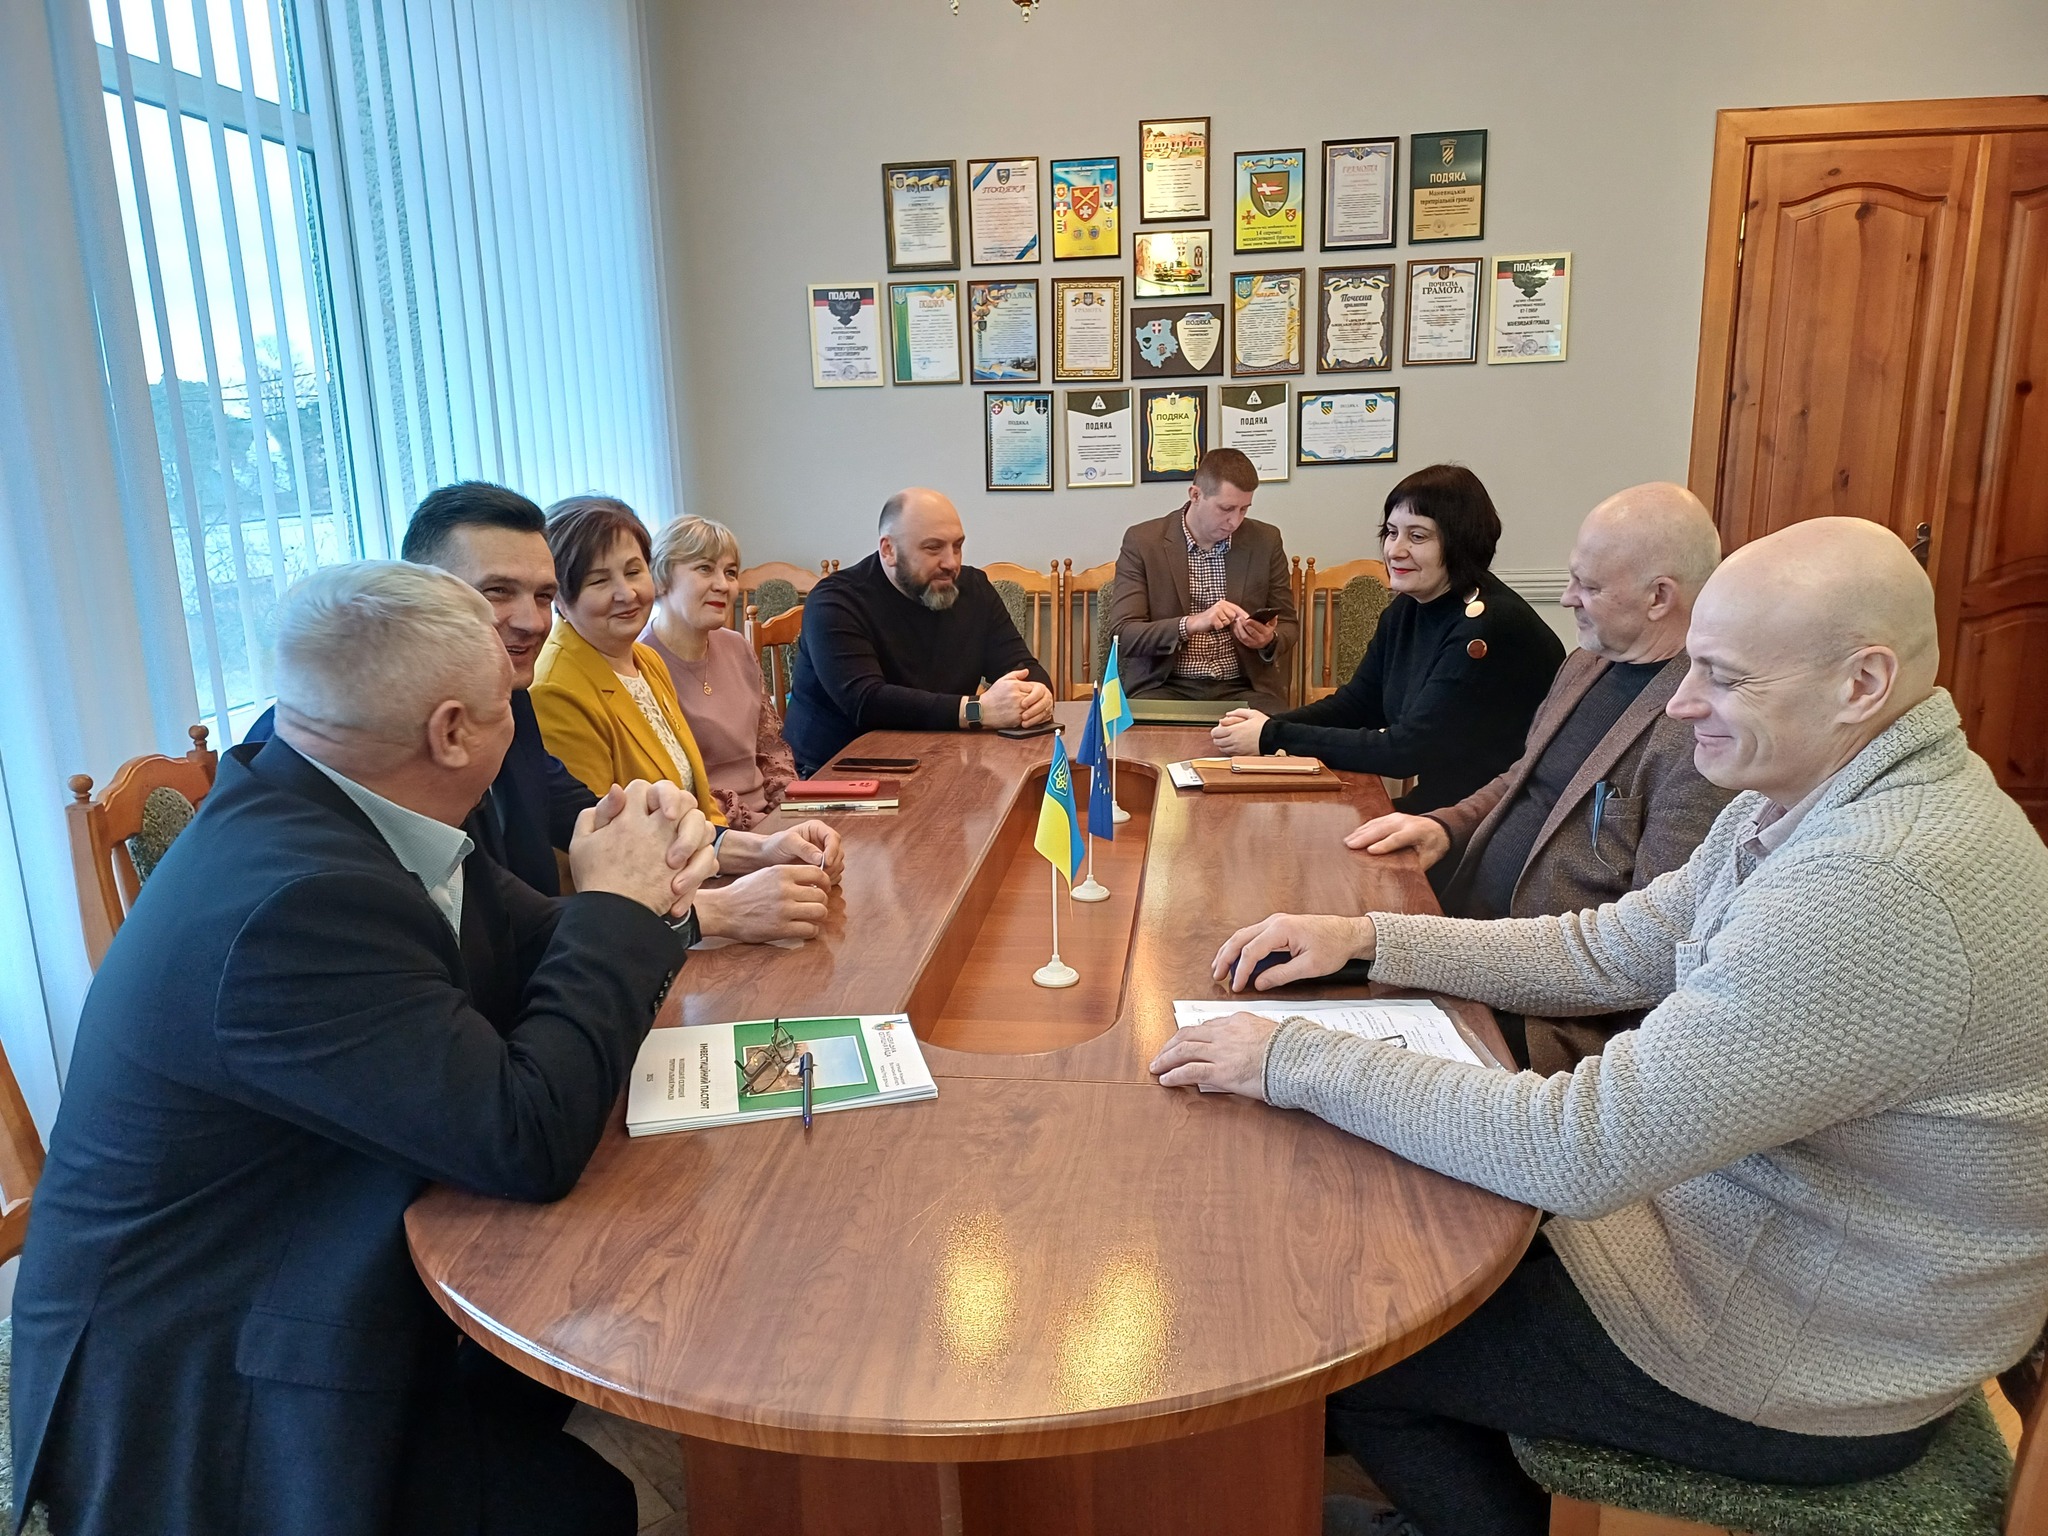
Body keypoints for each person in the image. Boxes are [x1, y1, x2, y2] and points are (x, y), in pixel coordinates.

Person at [1152, 518, 2048, 1536]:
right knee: (1388, 1242)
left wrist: (1291, 1056)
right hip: (1752, 1249)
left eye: (1722, 676)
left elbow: (1580, 1149)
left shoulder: (1876, 886)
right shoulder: (1820, 792)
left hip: (1805, 1358)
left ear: (1861, 684)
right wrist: (1366, 939)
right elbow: (1610, 948)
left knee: (1360, 1352)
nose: (1682, 701)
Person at [12, 562, 722, 1536]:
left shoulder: (334, 800)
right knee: (586, 1503)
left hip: (319, 1238)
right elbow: (525, 1139)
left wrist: (650, 893)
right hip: (205, 1373)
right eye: (509, 703)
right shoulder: (295, 902)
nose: (519, 721)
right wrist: (615, 905)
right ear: (451, 732)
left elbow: (538, 940)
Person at [1344, 482, 1733, 1069]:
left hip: (1541, 1011)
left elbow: (1649, 951)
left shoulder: (1699, 731)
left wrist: (1433, 954)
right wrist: (1445, 827)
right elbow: (1521, 777)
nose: (1567, 597)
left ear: (1659, 597)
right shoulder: (1587, 663)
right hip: (1463, 928)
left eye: (1589, 586)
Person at [246, 480, 591, 895]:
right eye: (498, 591)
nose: (532, 622)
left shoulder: (508, 696)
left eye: (544, 596)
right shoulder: (331, 732)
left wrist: (646, 821)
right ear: (427, 591)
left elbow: (558, 800)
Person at [532, 495, 847, 943]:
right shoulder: (555, 688)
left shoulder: (643, 661)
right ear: (560, 596)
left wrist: (766, 847)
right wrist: (727, 905)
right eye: (600, 580)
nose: (627, 593)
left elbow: (695, 808)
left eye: (633, 571)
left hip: (694, 883)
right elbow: (603, 859)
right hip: (637, 926)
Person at [1209, 464, 1564, 812]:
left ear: (1461, 542)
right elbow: (1359, 704)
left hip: (1493, 819)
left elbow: (1406, 751)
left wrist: (1271, 736)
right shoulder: (1409, 607)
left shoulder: (1489, 626)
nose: (1395, 550)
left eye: (1417, 536)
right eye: (1392, 532)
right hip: (1448, 807)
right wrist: (1269, 725)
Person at [782, 488, 1054, 774]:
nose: (951, 563)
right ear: (888, 550)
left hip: (940, 757)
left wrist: (1036, 697)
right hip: (835, 772)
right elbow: (867, 702)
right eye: (933, 548)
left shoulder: (974, 589)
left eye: (957, 546)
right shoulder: (835, 601)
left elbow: (1023, 668)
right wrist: (978, 710)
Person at [1108, 447, 1298, 714]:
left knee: (1281, 734)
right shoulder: (1143, 542)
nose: (1234, 521)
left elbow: (1289, 624)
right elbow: (1123, 634)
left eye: (1244, 509)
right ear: (1195, 495)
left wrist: (1268, 639)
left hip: (1244, 687)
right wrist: (1192, 623)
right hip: (1165, 686)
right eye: (1226, 509)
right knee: (1144, 736)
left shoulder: (1265, 541)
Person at [640, 514, 797, 830]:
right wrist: (760, 833)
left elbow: (770, 750)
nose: (723, 585)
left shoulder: (738, 646)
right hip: (709, 831)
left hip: (769, 819)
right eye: (704, 568)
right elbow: (672, 791)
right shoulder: (640, 663)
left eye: (730, 572)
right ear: (661, 578)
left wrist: (788, 810)